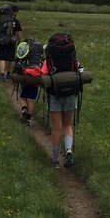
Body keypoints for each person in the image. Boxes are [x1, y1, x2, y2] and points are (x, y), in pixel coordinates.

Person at [41, 33, 80, 169]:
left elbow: (43, 73)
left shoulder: (49, 60)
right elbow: (80, 70)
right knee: (67, 126)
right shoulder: (72, 58)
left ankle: (56, 161)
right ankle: (68, 150)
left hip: (55, 96)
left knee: (56, 128)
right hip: (69, 94)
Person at [0, 5, 22, 80]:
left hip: (1, 41)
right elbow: (18, 33)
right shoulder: (15, 20)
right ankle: (9, 74)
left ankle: (2, 74)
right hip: (11, 41)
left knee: (2, 58)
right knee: (11, 59)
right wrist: (20, 42)